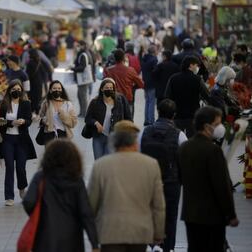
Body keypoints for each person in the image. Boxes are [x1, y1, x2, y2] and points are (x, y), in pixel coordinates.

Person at [88, 120, 165, 252]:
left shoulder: (101, 165)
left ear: (114, 141)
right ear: (135, 142)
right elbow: (158, 205)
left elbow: (91, 204)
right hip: (140, 233)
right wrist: (158, 233)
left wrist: (93, 238)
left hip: (109, 233)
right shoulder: (151, 165)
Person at [178, 106, 239, 252]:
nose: (220, 128)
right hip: (212, 216)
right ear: (207, 126)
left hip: (190, 214)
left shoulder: (184, 148)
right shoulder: (213, 150)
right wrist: (231, 214)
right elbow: (222, 185)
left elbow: (181, 177)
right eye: (217, 124)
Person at [22, 139, 99, 252]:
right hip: (72, 238)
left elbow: (28, 201)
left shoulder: (41, 177)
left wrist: (39, 214)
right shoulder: (76, 179)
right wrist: (94, 243)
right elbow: (85, 212)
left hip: (45, 236)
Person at [139, 99, 187, 252]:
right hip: (171, 182)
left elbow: (138, 155)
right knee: (170, 217)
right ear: (174, 115)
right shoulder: (179, 135)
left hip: (148, 182)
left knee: (150, 214)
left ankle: (152, 246)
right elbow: (185, 160)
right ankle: (168, 248)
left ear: (158, 112)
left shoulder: (145, 131)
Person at [0, 80, 36, 206]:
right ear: (9, 91)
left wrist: (24, 121)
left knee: (20, 167)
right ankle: (9, 196)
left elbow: (29, 120)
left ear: (21, 91)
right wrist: (11, 123)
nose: (16, 91)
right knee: (9, 166)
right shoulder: (3, 105)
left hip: (22, 139)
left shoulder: (25, 104)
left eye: (18, 89)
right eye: (13, 89)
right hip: (7, 138)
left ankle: (22, 188)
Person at [165, 56, 211, 138]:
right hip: (193, 115)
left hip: (177, 115)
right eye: (196, 65)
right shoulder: (197, 79)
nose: (197, 68)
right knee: (192, 140)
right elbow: (207, 95)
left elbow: (167, 96)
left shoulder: (173, 78)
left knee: (177, 138)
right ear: (191, 65)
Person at [85, 78, 131, 159]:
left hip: (113, 137)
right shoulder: (95, 102)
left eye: (111, 88)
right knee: (98, 160)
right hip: (98, 137)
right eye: (107, 88)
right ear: (102, 89)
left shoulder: (120, 101)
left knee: (108, 161)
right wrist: (96, 123)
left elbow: (128, 118)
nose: (109, 90)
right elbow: (88, 118)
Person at [103, 49, 144, 116]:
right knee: (128, 120)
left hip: (114, 98)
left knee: (115, 119)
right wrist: (133, 87)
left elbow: (105, 85)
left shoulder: (109, 70)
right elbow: (141, 84)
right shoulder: (130, 70)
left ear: (115, 58)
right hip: (127, 98)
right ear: (124, 58)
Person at [38, 80, 77, 144]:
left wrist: (63, 115)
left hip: (64, 135)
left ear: (62, 90)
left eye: (59, 88)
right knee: (50, 153)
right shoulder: (46, 103)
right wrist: (44, 120)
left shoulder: (67, 104)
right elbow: (40, 117)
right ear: (50, 90)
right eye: (54, 88)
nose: (57, 90)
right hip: (49, 135)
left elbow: (74, 122)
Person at [72, 40, 93, 117]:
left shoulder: (83, 54)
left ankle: (84, 113)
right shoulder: (83, 53)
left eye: (78, 45)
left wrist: (73, 68)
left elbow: (82, 67)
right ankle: (82, 112)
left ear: (83, 45)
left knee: (82, 96)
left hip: (83, 79)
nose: (77, 47)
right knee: (80, 95)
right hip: (82, 79)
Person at [26, 49, 47, 116]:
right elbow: (44, 73)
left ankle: (32, 112)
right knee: (38, 98)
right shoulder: (39, 62)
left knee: (32, 97)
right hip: (39, 83)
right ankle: (38, 112)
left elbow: (27, 74)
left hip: (32, 83)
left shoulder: (30, 63)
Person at [141, 45, 158, 125]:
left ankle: (146, 120)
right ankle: (151, 120)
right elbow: (155, 71)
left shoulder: (144, 59)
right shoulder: (154, 60)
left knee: (147, 102)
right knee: (152, 102)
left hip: (145, 83)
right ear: (154, 51)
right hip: (152, 83)